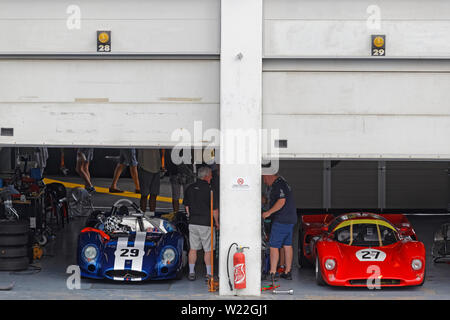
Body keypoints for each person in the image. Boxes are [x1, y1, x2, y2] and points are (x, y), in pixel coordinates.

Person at [183, 166, 219, 281]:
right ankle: (208, 274)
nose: (212, 177)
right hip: (206, 223)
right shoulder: (210, 190)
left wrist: (190, 218)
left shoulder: (189, 188)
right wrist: (217, 223)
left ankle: (191, 272)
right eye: (211, 175)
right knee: (207, 250)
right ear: (207, 176)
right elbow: (215, 210)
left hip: (193, 222)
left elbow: (187, 207)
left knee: (193, 249)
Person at [261, 174, 297, 280]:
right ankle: (288, 271)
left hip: (281, 220)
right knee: (287, 245)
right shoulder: (284, 182)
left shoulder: (278, 185)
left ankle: (272, 272)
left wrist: (268, 213)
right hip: (291, 219)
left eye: (264, 178)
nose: (264, 182)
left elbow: (281, 201)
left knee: (273, 246)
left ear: (268, 176)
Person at [166, 148, 196, 213]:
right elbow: (193, 156)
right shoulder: (188, 142)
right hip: (185, 171)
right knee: (187, 195)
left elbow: (168, 155)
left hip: (177, 171)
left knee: (176, 196)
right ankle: (187, 214)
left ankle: (176, 214)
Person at [137, 148, 161, 215]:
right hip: (145, 167)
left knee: (154, 194)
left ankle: (152, 215)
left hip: (156, 167)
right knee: (144, 195)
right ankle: (142, 216)